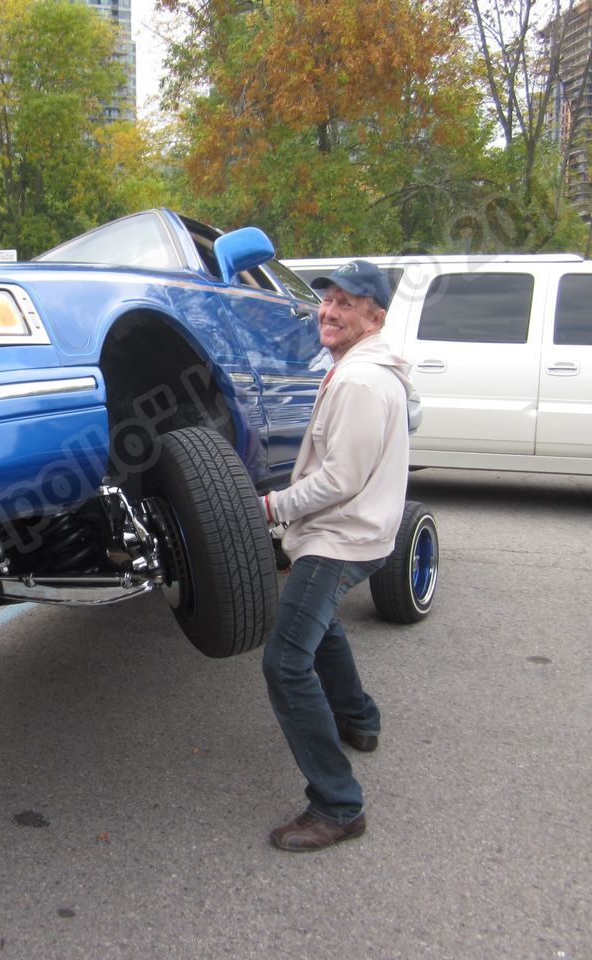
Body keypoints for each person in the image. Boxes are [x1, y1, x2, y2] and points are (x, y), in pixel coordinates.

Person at [258, 259, 417, 852]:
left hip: (341, 537)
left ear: (374, 317)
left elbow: (339, 480)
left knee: (284, 661)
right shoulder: (363, 368)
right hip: (356, 531)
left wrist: (269, 508)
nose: (329, 311)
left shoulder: (358, 381)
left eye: (348, 304)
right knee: (318, 628)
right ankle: (359, 719)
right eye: (327, 300)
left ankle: (337, 804)